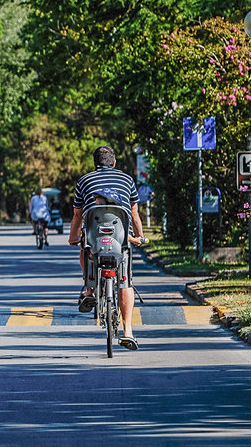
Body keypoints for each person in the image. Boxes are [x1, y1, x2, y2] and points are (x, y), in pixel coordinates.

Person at [68, 146, 148, 350]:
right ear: (114, 163)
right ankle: (128, 331)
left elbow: (77, 214)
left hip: (94, 239)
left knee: (85, 247)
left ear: (95, 164)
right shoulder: (127, 180)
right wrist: (139, 236)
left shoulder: (84, 181)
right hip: (121, 239)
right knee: (126, 281)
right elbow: (134, 213)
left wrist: (72, 237)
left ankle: (89, 290)